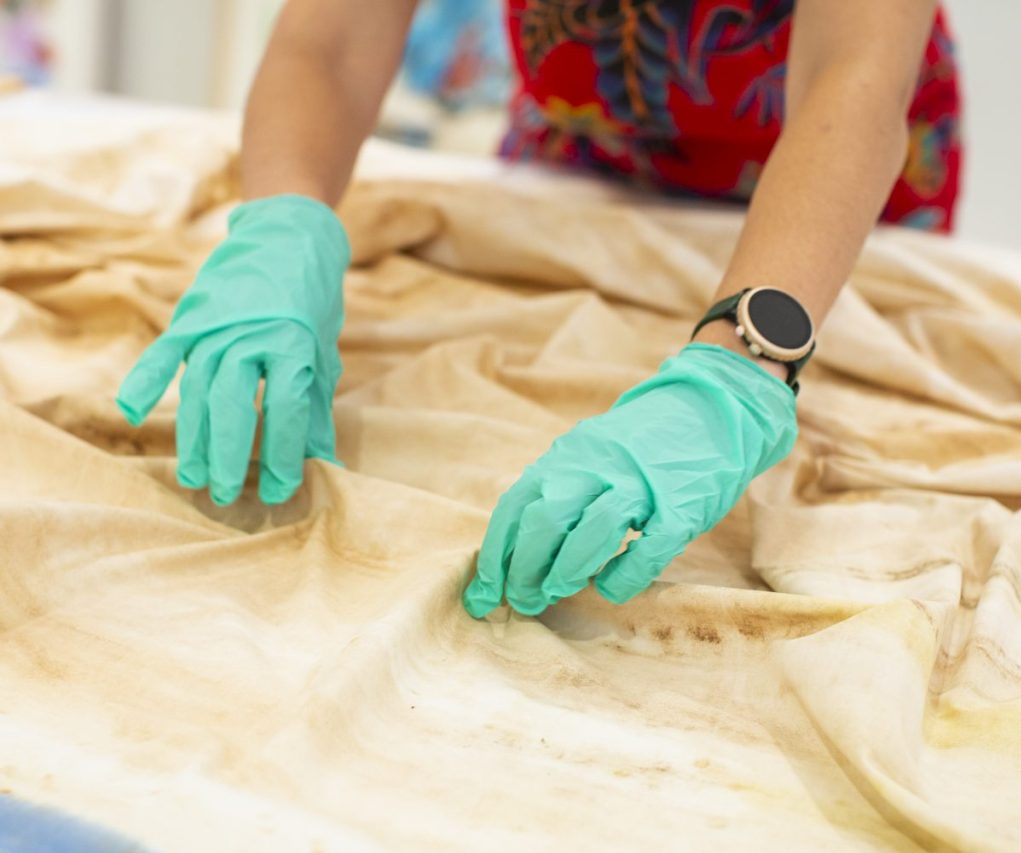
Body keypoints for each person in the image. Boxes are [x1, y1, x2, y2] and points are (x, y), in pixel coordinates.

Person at [116, 0, 961, 619]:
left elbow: (851, 81)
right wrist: (284, 220)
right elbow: (331, 44)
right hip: (581, 146)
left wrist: (740, 365)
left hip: (827, 195)